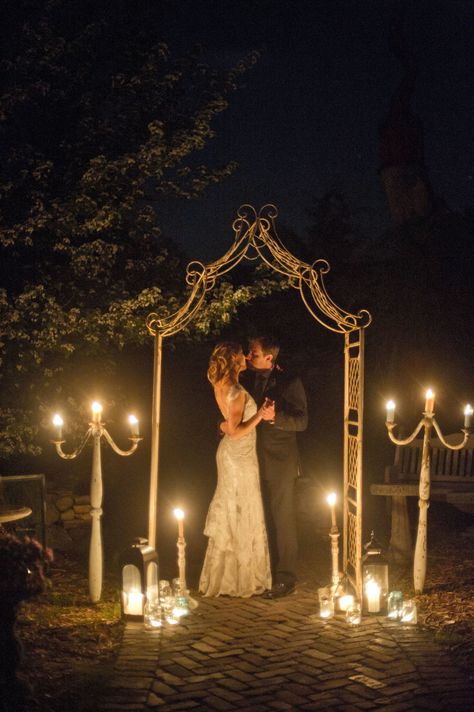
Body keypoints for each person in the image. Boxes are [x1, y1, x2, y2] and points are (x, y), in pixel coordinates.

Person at [199, 342, 273, 597]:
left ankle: (227, 578)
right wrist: (260, 416)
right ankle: (242, 579)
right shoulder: (237, 390)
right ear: (233, 359)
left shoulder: (221, 385)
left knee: (234, 511)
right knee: (243, 511)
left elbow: (228, 427)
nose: (246, 356)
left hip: (233, 456)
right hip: (239, 457)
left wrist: (223, 426)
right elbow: (238, 431)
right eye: (242, 353)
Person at [241, 335, 308, 599]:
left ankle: (285, 577)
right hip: (249, 458)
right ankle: (260, 572)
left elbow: (302, 421)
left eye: (254, 353)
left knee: (283, 519)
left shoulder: (290, 382)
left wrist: (275, 417)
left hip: (280, 462)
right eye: (248, 352)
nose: (248, 356)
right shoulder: (244, 379)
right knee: (258, 517)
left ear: (270, 357)